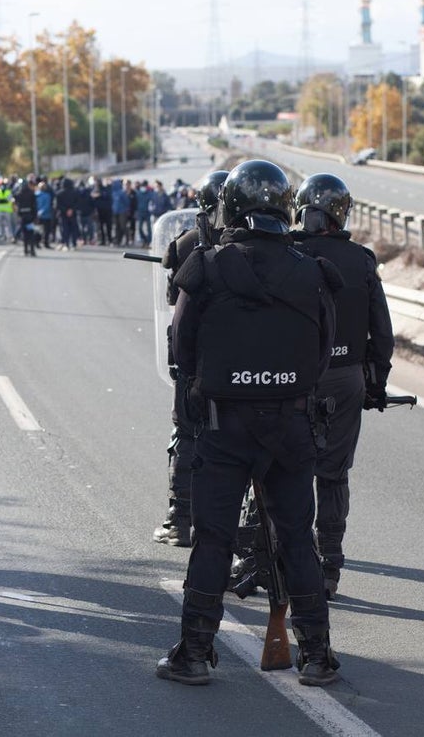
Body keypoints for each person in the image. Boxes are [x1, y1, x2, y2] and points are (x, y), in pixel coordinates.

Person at [157, 159, 342, 688]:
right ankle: (318, 655)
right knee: (297, 540)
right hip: (292, 425)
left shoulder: (205, 267)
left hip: (224, 426)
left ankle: (193, 653)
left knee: (212, 539)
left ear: (229, 207)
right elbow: (323, 352)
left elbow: (181, 346)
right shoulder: (312, 271)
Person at [292, 173, 394, 597]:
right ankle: (330, 565)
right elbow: (382, 334)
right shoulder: (362, 260)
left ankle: (279, 557)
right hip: (347, 377)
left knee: (285, 471)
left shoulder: (289, 254)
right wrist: (376, 382)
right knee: (333, 475)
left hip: (293, 379)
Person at [152, 170, 228, 548]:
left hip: (193, 358)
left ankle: (179, 519)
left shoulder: (185, 245)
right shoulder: (248, 246)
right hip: (234, 359)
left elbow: (175, 308)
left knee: (185, 436)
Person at [14, 175, 38, 257]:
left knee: (24, 234)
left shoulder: (18, 194)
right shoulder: (31, 193)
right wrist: (35, 216)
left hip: (22, 216)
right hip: (30, 216)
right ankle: (32, 250)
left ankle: (25, 250)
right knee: (30, 233)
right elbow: (34, 206)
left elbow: (16, 204)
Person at [0, 178, 14, 243]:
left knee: (8, 224)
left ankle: (9, 236)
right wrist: (3, 200)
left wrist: (1, 200)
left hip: (7, 210)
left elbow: (9, 200)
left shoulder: (8, 192)